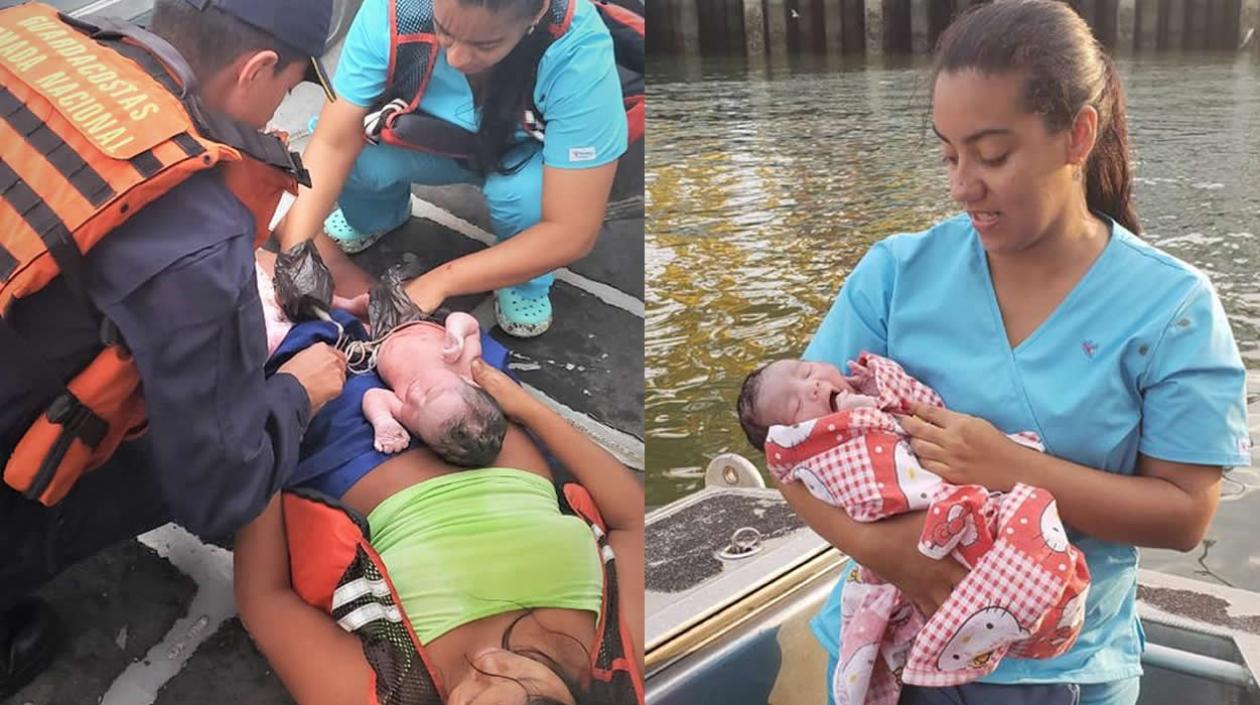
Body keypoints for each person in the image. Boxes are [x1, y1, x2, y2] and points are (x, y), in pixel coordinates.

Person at [787, 3, 1249, 705]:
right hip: (888, 652)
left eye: (993, 155)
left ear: (1077, 136)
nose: (961, 184)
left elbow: (1184, 514)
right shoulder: (896, 275)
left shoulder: (1172, 307)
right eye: (949, 153)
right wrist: (888, 553)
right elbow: (792, 447)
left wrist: (1011, 468)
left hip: (1059, 672)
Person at [0, 0, 345, 695]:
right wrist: (295, 391)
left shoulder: (26, 38)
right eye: (291, 88)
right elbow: (220, 489)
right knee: (200, 448)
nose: (282, 106)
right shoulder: (195, 222)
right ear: (257, 70)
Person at [234, 326, 646, 704]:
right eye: (534, 682)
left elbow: (264, 600)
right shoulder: (614, 658)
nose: (492, 660)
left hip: (350, 443)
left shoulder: (384, 693)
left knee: (283, 310)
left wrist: (271, 429)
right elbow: (631, 521)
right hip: (482, 420)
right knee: (403, 314)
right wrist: (526, 409)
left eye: (470, 694)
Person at [737, 354, 1089, 705]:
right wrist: (882, 549)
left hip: (1050, 674)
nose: (811, 386)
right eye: (797, 404)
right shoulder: (826, 444)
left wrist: (1009, 464)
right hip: (906, 630)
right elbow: (784, 464)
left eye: (808, 371)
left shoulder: (871, 389)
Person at [273, 0, 631, 338]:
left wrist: (437, 283)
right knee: (354, 151)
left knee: (527, 200)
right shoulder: (394, 9)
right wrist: (296, 255)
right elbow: (333, 143)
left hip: (520, 155)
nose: (457, 57)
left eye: (485, 44)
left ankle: (523, 280)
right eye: (443, 29)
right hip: (427, 137)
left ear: (535, 13)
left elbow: (572, 229)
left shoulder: (579, 53)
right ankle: (378, 215)